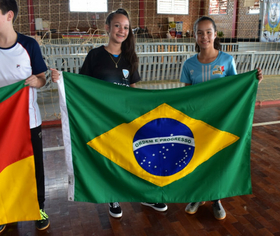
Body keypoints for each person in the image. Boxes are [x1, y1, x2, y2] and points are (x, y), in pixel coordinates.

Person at [51, 8, 168, 218]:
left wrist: (142, 111)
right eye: (117, 26)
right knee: (110, 157)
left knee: (135, 156)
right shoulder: (95, 55)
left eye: (125, 27)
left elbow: (133, 88)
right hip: (102, 117)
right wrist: (62, 80)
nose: (121, 31)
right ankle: (112, 196)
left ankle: (144, 194)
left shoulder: (130, 57)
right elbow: (82, 85)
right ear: (107, 28)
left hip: (125, 118)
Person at [180, 16, 263, 220]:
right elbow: (184, 97)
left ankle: (216, 198)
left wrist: (253, 82)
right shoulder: (188, 64)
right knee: (197, 159)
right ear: (195, 36)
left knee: (217, 159)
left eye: (209, 32)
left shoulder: (226, 60)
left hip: (220, 121)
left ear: (215, 34)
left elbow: (235, 88)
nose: (204, 36)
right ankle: (198, 195)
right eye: (200, 32)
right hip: (198, 123)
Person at [0, 0, 50, 232]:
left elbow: (42, 78)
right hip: (2, 122)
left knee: (32, 167)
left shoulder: (28, 45)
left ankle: (38, 207)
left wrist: (35, 81)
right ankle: (4, 209)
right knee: (3, 166)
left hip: (28, 120)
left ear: (9, 15)